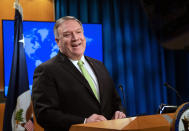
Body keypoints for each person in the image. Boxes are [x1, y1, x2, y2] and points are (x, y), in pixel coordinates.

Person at [32, 16, 126, 131]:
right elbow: (44, 114)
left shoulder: (99, 65)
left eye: (78, 32)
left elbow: (115, 101)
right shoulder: (46, 70)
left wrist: (119, 112)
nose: (75, 38)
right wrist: (84, 122)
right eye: (67, 35)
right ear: (58, 41)